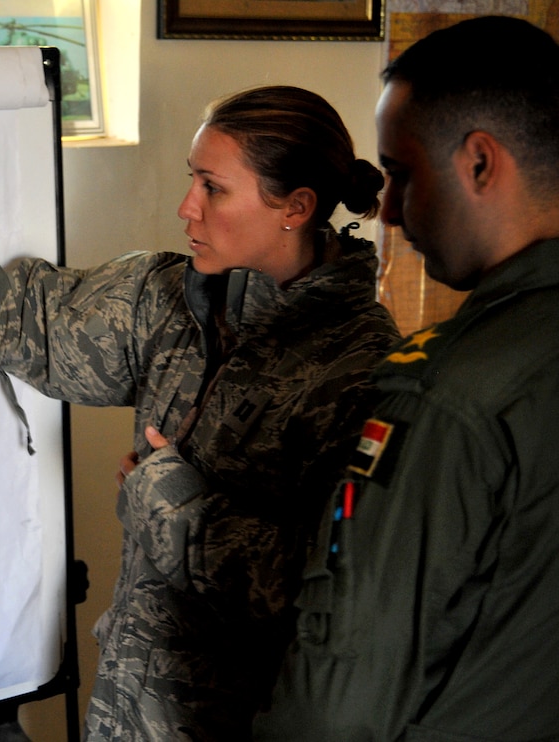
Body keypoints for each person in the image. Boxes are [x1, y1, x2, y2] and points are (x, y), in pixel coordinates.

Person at [0, 85, 400, 739]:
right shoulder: (173, 299)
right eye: (190, 181)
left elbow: (337, 590)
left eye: (213, 188)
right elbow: (27, 317)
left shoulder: (362, 371)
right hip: (126, 710)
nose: (185, 207)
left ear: (296, 207)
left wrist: (172, 502)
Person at [252, 16, 559, 741]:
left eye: (401, 173)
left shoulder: (444, 395)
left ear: (480, 163)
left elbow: (339, 704)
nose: (386, 210)